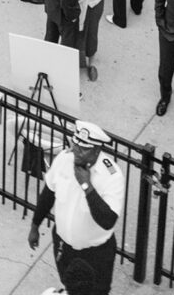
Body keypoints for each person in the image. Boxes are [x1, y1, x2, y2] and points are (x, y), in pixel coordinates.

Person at [28, 120, 124, 295]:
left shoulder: (112, 175)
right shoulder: (65, 158)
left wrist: (87, 186)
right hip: (64, 246)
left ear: (97, 150)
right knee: (69, 285)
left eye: (83, 149)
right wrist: (35, 226)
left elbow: (108, 220)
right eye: (76, 145)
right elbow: (48, 193)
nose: (76, 152)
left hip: (96, 253)